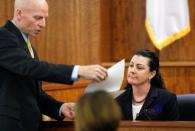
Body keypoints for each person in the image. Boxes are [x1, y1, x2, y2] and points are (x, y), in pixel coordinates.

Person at [0, 0, 108, 131]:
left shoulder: (30, 48)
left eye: (45, 18)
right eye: (38, 18)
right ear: (19, 13)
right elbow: (30, 67)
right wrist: (78, 70)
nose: (43, 24)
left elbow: (34, 93)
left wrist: (60, 108)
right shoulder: (3, 36)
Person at [116, 49, 179, 121]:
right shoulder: (118, 101)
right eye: (131, 65)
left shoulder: (166, 100)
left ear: (152, 74)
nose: (132, 70)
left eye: (139, 67)